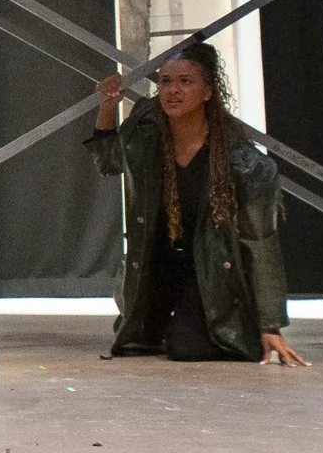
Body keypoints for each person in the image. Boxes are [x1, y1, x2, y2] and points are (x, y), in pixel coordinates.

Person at [87, 40, 308, 366]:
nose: (172, 91)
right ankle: (163, 319)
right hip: (158, 265)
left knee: (186, 348)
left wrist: (269, 324)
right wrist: (107, 106)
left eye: (185, 82)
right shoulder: (147, 133)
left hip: (210, 272)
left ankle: (204, 321)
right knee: (141, 339)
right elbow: (108, 161)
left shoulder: (244, 162)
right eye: (165, 81)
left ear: (207, 91)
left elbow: (261, 243)